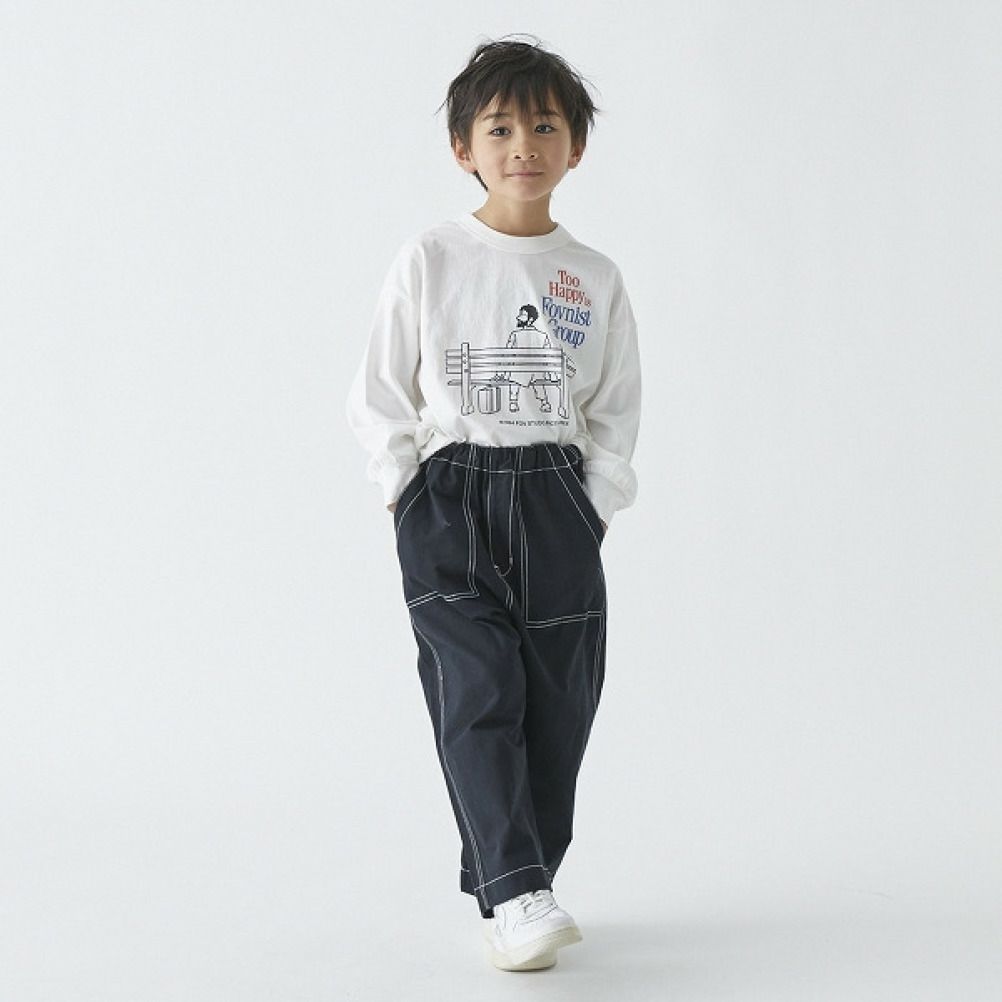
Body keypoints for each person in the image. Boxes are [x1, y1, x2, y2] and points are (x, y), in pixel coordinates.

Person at [345, 35, 642, 972]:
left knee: (559, 703)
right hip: (453, 498)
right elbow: (380, 391)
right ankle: (517, 893)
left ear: (576, 147)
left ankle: (521, 878)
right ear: (462, 148)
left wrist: (592, 506)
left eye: (545, 127)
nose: (524, 146)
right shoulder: (432, 257)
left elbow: (615, 409)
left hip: (556, 502)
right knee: (477, 689)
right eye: (501, 128)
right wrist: (405, 493)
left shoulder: (593, 276)